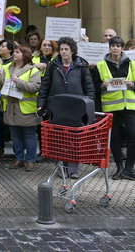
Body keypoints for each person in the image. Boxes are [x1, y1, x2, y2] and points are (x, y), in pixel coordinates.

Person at [37, 36, 96, 179]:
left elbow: (89, 88)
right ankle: (61, 167)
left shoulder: (82, 66)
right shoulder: (53, 65)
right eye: (61, 49)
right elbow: (45, 86)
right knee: (58, 138)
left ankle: (74, 168)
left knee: (74, 139)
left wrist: (89, 104)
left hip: (76, 107)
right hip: (56, 106)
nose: (63, 52)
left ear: (72, 51)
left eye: (66, 49)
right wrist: (41, 104)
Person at [92, 36, 135, 180]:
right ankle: (119, 167)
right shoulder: (101, 65)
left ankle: (129, 168)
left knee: (133, 135)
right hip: (110, 106)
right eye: (113, 45)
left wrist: (132, 85)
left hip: (129, 106)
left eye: (118, 46)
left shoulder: (132, 64)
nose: (115, 48)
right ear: (109, 47)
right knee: (114, 138)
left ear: (123, 48)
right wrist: (101, 86)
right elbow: (94, 86)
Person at [0, 46, 41, 172]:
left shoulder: (33, 70)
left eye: (17, 52)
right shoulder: (8, 68)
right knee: (15, 135)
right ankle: (19, 159)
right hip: (11, 107)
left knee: (29, 135)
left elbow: (35, 87)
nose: (14, 54)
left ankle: (31, 160)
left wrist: (18, 81)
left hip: (26, 109)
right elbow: (1, 86)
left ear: (24, 55)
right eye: (14, 52)